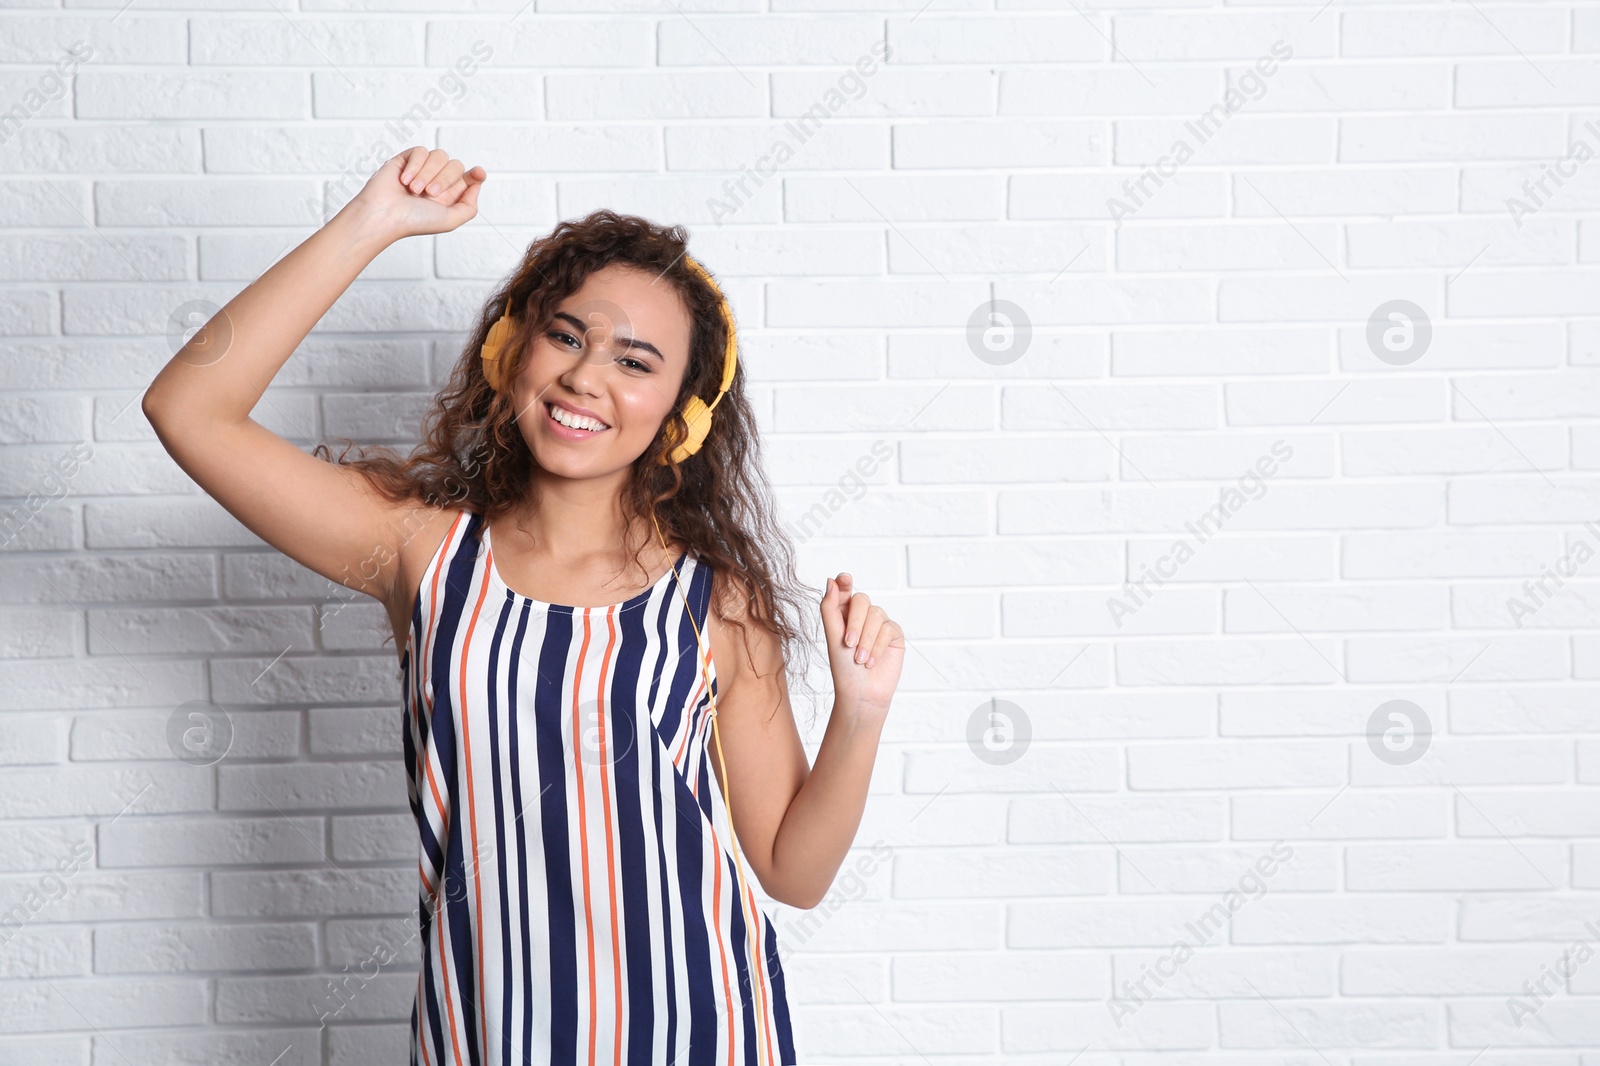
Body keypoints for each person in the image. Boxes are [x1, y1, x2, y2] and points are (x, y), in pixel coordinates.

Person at [142, 146, 905, 1066]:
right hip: (486, 1036)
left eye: (636, 360)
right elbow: (189, 408)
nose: (588, 376)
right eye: (568, 336)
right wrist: (372, 223)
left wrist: (859, 715)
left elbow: (795, 869)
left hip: (701, 1029)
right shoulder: (422, 553)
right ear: (512, 352)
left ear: (681, 415)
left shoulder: (716, 600)